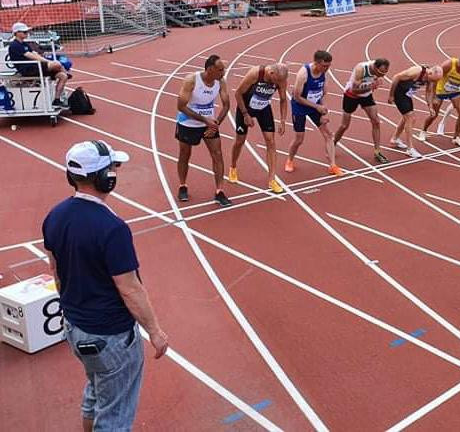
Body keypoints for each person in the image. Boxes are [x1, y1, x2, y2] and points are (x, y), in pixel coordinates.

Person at [43, 140, 168, 431]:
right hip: (110, 336)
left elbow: (56, 272)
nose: (115, 173)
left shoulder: (54, 217)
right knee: (115, 414)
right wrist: (155, 332)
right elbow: (130, 289)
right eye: (112, 168)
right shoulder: (113, 229)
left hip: (75, 327)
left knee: (96, 389)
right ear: (104, 178)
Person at [175, 55, 232, 206]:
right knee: (184, 154)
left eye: (223, 69)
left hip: (209, 122)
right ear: (210, 69)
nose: (223, 72)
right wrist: (205, 120)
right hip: (188, 122)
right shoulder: (191, 80)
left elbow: (226, 105)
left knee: (217, 154)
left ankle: (219, 191)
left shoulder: (221, 82)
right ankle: (183, 186)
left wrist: (215, 123)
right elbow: (181, 106)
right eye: (220, 70)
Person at [229, 63, 289, 194]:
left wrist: (283, 121)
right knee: (240, 140)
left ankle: (272, 179)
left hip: (263, 108)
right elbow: (238, 94)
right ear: (271, 73)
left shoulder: (281, 79)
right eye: (277, 81)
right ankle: (233, 166)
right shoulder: (255, 73)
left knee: (271, 141)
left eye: (281, 81)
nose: (278, 84)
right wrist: (245, 114)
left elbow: (283, 100)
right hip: (245, 107)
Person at [286, 50, 342, 176]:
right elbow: (297, 96)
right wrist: (317, 107)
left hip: (315, 106)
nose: (327, 68)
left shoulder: (324, 73)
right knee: (299, 139)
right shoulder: (303, 74)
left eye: (329, 66)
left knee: (328, 135)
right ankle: (289, 160)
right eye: (324, 66)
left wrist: (323, 112)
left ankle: (333, 165)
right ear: (316, 63)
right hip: (300, 106)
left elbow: (323, 93)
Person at [334, 58, 390, 164]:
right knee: (344, 125)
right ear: (375, 68)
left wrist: (372, 86)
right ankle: (333, 143)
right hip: (351, 96)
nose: (383, 75)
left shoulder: (378, 70)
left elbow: (372, 84)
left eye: (385, 73)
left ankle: (377, 151)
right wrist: (371, 86)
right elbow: (354, 90)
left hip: (366, 96)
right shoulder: (361, 69)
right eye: (381, 73)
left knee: (376, 121)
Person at [417, 51, 460, 147]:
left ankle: (456, 137)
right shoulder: (449, 64)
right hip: (441, 90)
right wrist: (435, 96)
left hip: (455, 91)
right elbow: (436, 78)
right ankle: (423, 131)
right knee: (434, 114)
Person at [8, 22, 71, 108]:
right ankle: (64, 70)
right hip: (28, 69)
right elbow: (31, 56)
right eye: (24, 32)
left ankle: (57, 100)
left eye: (27, 32)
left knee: (63, 76)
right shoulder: (14, 45)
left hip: (35, 66)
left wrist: (47, 61)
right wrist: (48, 62)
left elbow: (35, 53)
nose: (27, 33)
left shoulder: (25, 44)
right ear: (17, 33)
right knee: (57, 65)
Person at [388, 64, 443, 158]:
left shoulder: (430, 78)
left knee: (407, 117)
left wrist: (430, 107)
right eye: (433, 80)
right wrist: (391, 95)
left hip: (407, 94)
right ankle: (410, 149)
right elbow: (396, 77)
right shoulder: (416, 72)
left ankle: (395, 139)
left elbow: (429, 92)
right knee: (411, 118)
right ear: (430, 73)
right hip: (399, 92)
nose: (432, 82)